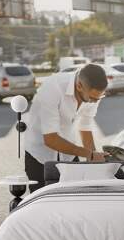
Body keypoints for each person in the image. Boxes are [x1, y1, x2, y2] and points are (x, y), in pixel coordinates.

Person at [24, 63, 108, 192]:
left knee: (74, 198)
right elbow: (50, 139)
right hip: (39, 155)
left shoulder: (93, 93)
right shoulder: (52, 87)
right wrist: (88, 154)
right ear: (79, 86)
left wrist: (93, 161)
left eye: (99, 98)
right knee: (44, 203)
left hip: (68, 153)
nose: (95, 102)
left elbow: (85, 125)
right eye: (92, 98)